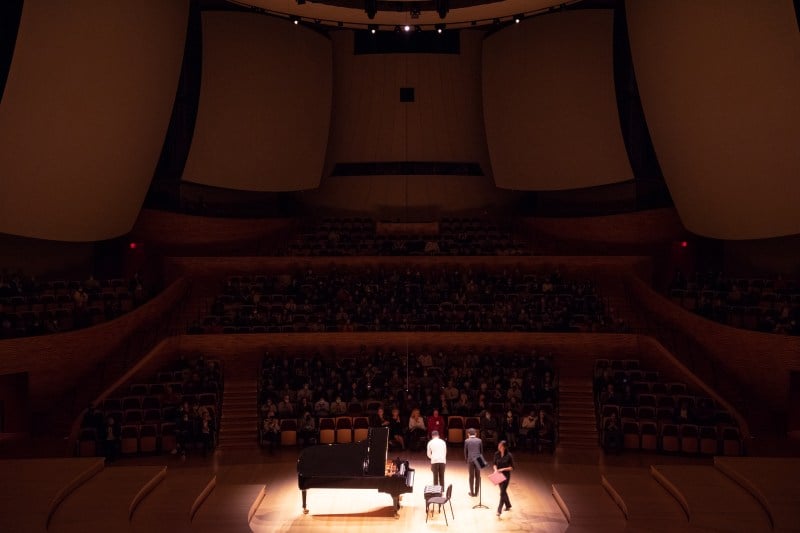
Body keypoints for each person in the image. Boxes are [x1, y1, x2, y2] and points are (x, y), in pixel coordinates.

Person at [493, 440, 514, 517]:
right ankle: (508, 505)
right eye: (499, 445)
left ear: (504, 447)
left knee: (502, 492)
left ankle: (499, 510)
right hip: (498, 475)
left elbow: (512, 467)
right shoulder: (496, 454)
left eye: (500, 446)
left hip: (506, 476)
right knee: (503, 491)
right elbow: (494, 464)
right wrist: (495, 470)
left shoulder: (509, 455)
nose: (499, 446)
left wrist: (503, 469)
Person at [464, 428, 484, 497]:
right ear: (476, 434)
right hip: (479, 459)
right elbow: (481, 451)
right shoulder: (479, 440)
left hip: (470, 459)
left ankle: (472, 492)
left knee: (471, 476)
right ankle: (477, 493)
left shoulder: (466, 441)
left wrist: (466, 459)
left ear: (468, 434)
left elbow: (465, 451)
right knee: (478, 476)